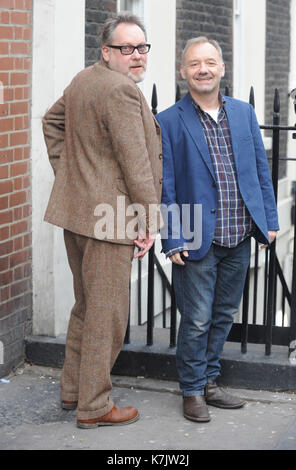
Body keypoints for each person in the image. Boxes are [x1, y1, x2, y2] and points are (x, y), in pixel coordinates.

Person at [42, 13, 163, 429]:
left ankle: (73, 389)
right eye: (126, 48)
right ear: (106, 51)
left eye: (142, 48)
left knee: (86, 305)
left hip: (76, 214)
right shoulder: (121, 91)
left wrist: (71, 176)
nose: (136, 56)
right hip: (110, 221)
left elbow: (51, 122)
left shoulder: (84, 79)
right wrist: (149, 223)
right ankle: (94, 406)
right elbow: (137, 165)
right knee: (108, 315)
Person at [156, 37, 279, 423]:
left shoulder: (243, 113)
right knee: (195, 318)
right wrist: (172, 236)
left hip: (240, 233)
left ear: (222, 68)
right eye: (195, 64)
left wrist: (269, 222)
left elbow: (261, 170)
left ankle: (210, 381)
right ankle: (192, 390)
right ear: (183, 72)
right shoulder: (169, 120)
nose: (203, 69)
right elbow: (165, 185)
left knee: (224, 313)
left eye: (210, 62)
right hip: (196, 235)